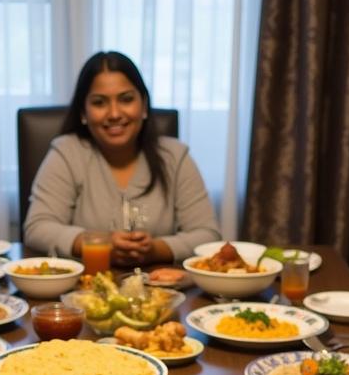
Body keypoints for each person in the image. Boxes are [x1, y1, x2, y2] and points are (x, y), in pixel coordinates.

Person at [23, 51, 220, 266]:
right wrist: (98, 243)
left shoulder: (175, 157)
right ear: (83, 112)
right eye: (99, 103)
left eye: (126, 99)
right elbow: (37, 228)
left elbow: (207, 235)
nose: (114, 113)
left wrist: (154, 250)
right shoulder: (67, 153)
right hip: (83, 292)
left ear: (144, 105)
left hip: (160, 292)